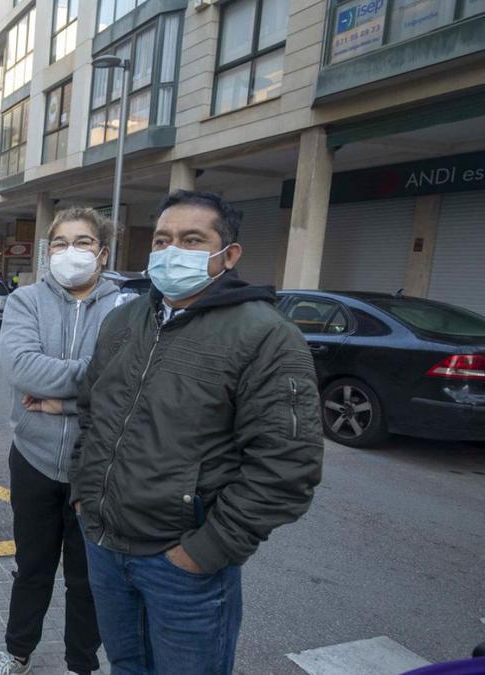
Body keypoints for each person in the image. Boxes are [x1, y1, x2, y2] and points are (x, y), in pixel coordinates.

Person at [69, 190, 323, 675]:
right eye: (162, 240)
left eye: (191, 239)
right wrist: (84, 496)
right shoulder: (125, 321)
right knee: (127, 667)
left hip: (182, 566)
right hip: (104, 546)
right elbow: (91, 414)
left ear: (228, 255)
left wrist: (204, 552)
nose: (171, 251)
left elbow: (288, 467)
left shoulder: (265, 336)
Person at [0, 207, 119, 675]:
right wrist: (91, 384)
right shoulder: (26, 301)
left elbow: (127, 386)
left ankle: (82, 666)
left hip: (97, 467)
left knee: (87, 578)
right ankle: (16, 653)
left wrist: (64, 403)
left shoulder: (124, 309)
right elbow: (21, 368)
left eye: (82, 242)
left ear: (102, 252)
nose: (69, 252)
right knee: (32, 568)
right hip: (34, 460)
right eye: (59, 243)